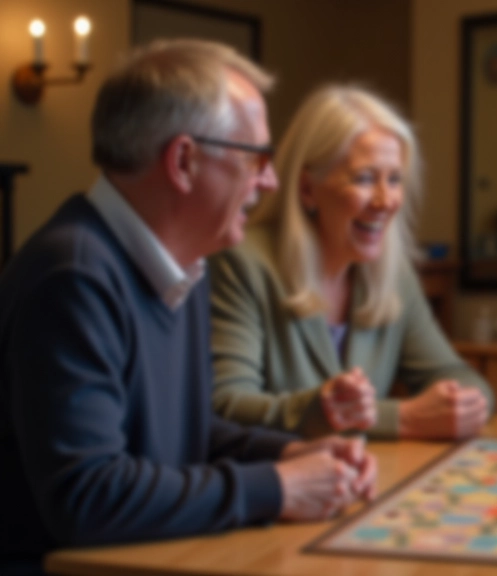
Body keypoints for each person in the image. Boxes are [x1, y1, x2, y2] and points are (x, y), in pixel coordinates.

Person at [0, 40, 376, 574]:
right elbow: (86, 496)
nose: (269, 181)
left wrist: (289, 454)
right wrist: (273, 488)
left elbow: (184, 436)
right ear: (184, 160)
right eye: (256, 159)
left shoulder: (185, 265)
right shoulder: (74, 274)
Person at [209, 84, 492, 441]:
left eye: (394, 179)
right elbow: (226, 406)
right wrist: (399, 418)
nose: (385, 200)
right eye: (364, 179)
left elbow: (460, 376)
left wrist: (461, 404)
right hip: (279, 486)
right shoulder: (242, 262)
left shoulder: (392, 272)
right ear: (307, 189)